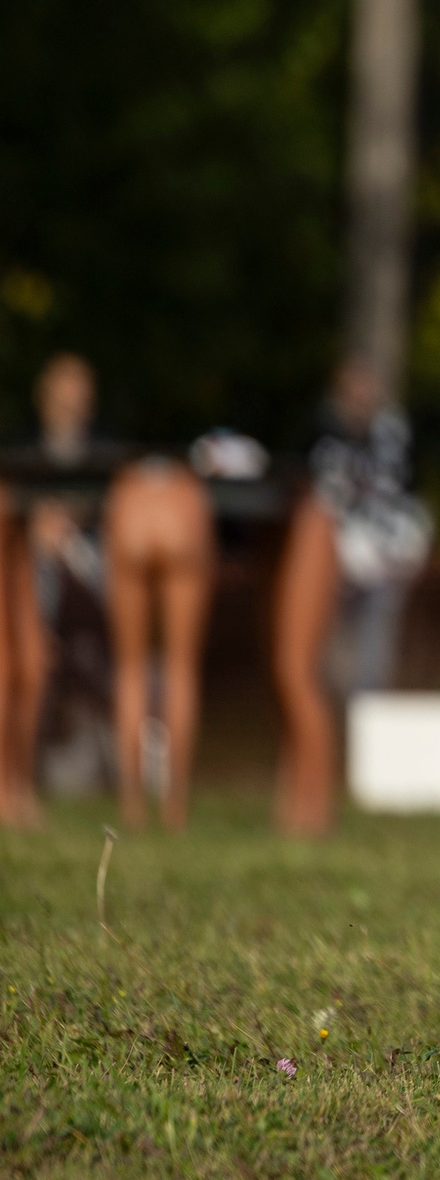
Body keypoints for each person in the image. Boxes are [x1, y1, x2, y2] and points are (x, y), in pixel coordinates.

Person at [0, 354, 215, 832]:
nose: (73, 398)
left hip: (97, 551)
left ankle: (143, 805)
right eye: (64, 387)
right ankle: (155, 806)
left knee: (137, 667)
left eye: (81, 388)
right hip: (41, 556)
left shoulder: (107, 451)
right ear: (45, 395)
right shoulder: (21, 448)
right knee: (156, 667)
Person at [271, 355, 434, 836]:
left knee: (360, 674)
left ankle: (346, 785)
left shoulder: (397, 437)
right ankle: (314, 786)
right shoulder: (317, 434)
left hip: (379, 566)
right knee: (315, 673)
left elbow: (411, 498)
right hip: (329, 561)